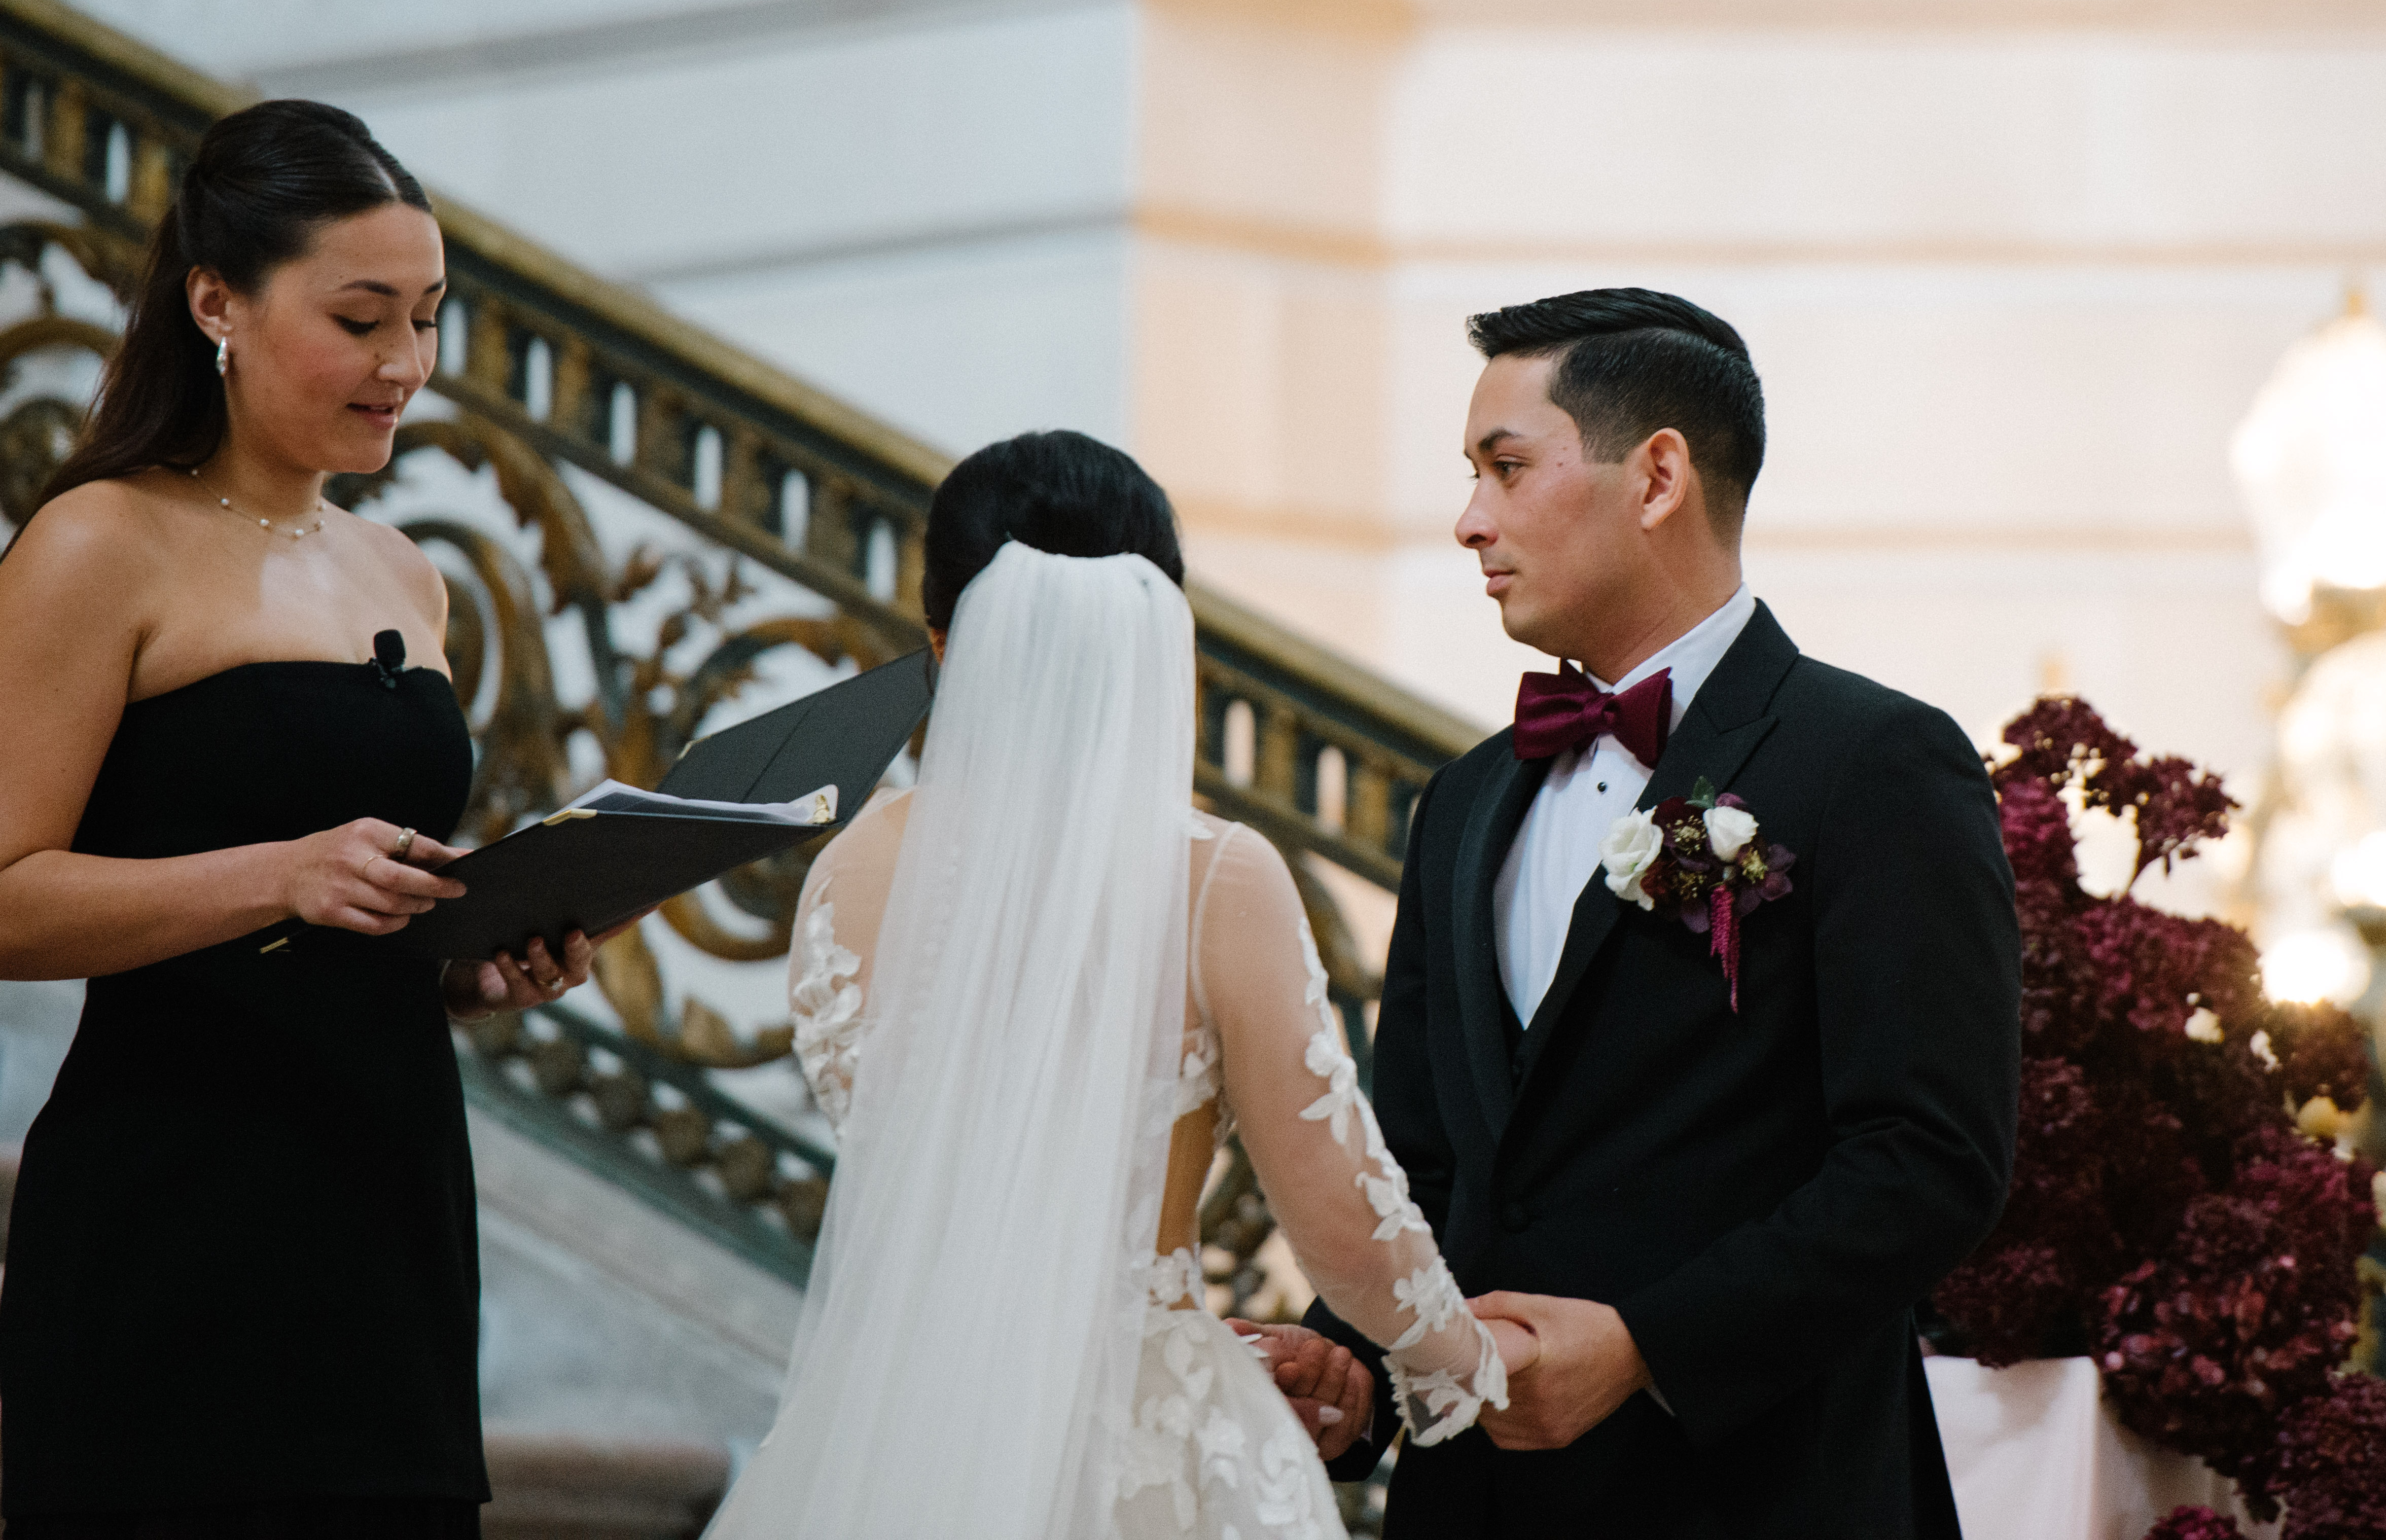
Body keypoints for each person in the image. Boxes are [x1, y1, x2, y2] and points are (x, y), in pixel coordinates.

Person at [707, 431, 1519, 1540]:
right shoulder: (1213, 877)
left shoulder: (849, 869)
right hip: (1144, 1433)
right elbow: (1336, 1210)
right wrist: (1477, 1368)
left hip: (903, 1424)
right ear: (1162, 630)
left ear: (943, 639)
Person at [1302, 288, 2022, 1537]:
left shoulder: (1874, 761)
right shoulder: (1465, 799)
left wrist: (1646, 1346)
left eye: (1506, 468)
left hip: (1759, 1493)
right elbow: (1422, 1159)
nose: (1469, 522)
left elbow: (1926, 1160)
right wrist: (1346, 1366)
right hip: (1474, 1502)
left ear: (1656, 478)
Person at [0, 99, 596, 1538]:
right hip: (174, 1202)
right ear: (217, 300)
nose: (405, 367)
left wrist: (465, 964)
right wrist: (283, 875)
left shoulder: (407, 575)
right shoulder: (100, 542)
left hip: (387, 1204)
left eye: (430, 321)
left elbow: (342, 916)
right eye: (362, 319)